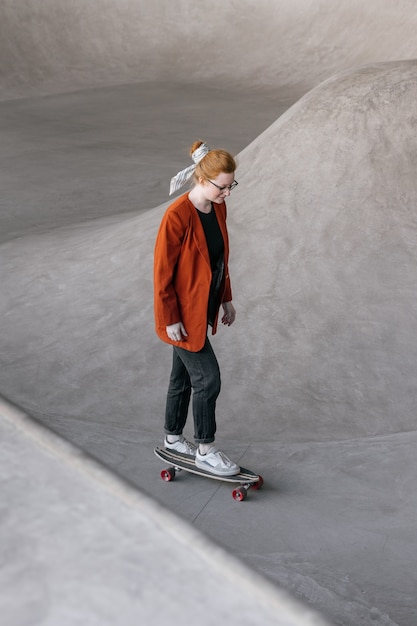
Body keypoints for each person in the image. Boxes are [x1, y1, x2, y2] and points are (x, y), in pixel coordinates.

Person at [153, 140, 240, 476]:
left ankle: (174, 439)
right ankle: (205, 448)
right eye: (223, 186)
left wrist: (226, 298)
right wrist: (169, 318)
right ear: (202, 180)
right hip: (182, 316)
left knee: (183, 378)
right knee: (208, 379)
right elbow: (162, 275)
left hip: (202, 308)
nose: (228, 193)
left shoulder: (217, 208)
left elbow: (219, 259)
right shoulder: (176, 217)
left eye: (231, 185)